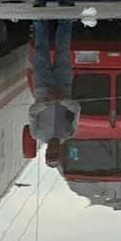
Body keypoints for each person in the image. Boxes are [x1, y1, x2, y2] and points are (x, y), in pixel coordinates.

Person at [28, 19, 80, 162]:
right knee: (63, 51)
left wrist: (47, 102)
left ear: (45, 153)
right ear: (60, 152)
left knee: (41, 52)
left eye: (49, 155)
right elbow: (76, 109)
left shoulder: (37, 134)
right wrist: (62, 100)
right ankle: (65, 22)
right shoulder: (69, 132)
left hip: (43, 88)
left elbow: (32, 112)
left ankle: (40, 23)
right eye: (55, 155)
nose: (52, 151)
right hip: (63, 86)